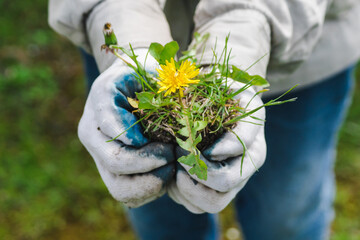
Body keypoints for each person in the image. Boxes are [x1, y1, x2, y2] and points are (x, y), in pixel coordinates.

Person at [49, 0, 360, 239]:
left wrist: (246, 29)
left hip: (302, 46)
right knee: (159, 212)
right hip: (126, 47)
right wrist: (121, 24)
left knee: (285, 218)